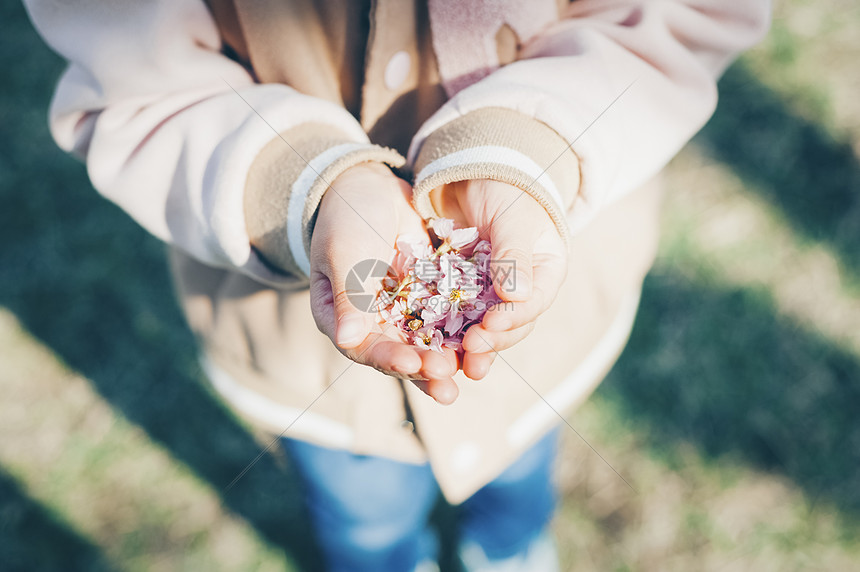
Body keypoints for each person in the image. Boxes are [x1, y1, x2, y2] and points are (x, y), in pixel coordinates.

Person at [25, 0, 771, 570]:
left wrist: (528, 150)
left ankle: (507, 549)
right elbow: (136, 80)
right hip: (304, 363)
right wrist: (307, 187)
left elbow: (674, 20)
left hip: (538, 333)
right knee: (363, 516)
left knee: (518, 472)